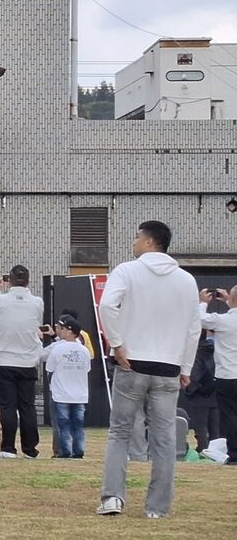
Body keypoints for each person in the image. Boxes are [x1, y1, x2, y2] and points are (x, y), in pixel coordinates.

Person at [97, 221, 201, 517]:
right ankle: (157, 507)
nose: (134, 242)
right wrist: (186, 366)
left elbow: (107, 306)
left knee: (120, 431)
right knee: (165, 438)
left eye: (137, 237)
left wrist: (117, 344)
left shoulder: (127, 271)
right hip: (169, 365)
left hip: (132, 362)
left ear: (149, 241)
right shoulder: (186, 280)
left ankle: (113, 497)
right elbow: (193, 328)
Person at [0, 265, 44, 460]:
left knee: (8, 406)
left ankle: (8, 448)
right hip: (28, 360)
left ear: (10, 281)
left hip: (4, 359)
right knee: (27, 406)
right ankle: (30, 449)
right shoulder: (37, 302)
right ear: (28, 281)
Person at [42, 318, 92, 459]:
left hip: (61, 393)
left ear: (70, 331)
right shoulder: (84, 350)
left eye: (63, 329)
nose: (60, 331)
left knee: (62, 425)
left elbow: (49, 368)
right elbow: (87, 369)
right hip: (80, 394)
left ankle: (65, 452)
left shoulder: (57, 348)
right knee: (78, 426)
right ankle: (78, 451)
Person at [182, 296, 225, 454]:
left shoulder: (199, 351)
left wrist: (191, 389)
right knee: (215, 429)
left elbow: (195, 372)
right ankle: (215, 452)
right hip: (216, 392)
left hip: (200, 394)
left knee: (201, 427)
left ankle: (203, 449)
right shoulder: (223, 348)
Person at [199, 288, 237, 464]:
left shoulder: (223, 321)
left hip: (227, 375)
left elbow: (199, 319)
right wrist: (230, 301)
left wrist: (203, 303)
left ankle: (235, 455)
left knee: (230, 416)